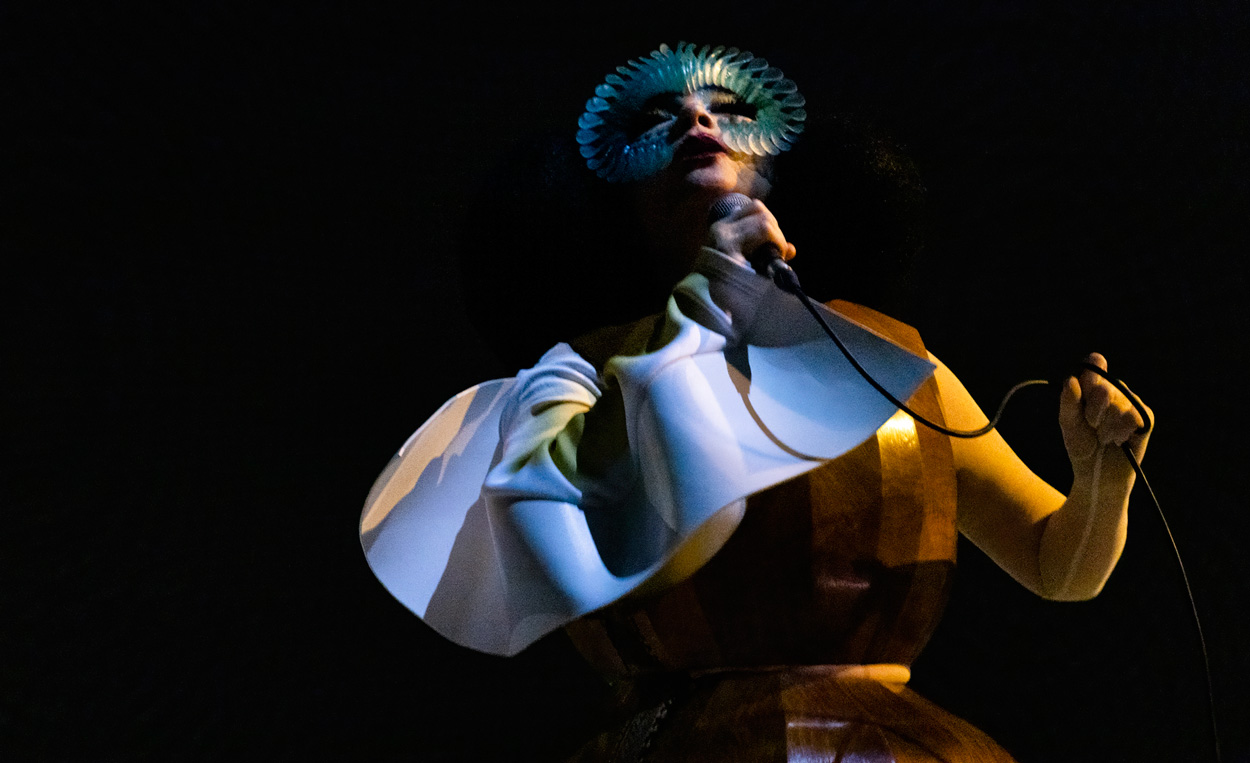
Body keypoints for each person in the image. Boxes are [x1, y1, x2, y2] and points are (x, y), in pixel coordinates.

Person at [360, 42, 1151, 762]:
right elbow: (563, 540)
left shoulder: (882, 358)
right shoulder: (576, 372)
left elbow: (1056, 564)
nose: (696, 120)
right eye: (658, 117)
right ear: (615, 197)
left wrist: (1101, 475)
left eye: (729, 110)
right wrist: (711, 299)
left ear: (776, 171)